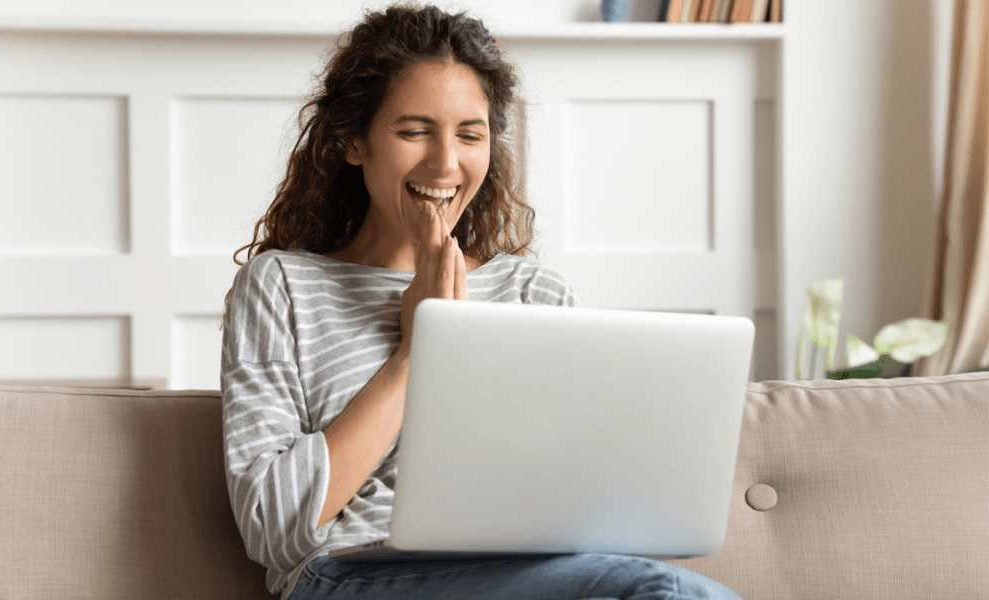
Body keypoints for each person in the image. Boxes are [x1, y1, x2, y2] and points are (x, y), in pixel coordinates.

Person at [221, 5, 743, 600]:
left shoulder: (534, 295)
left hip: (526, 571)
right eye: (414, 131)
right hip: (347, 577)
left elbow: (575, 496)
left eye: (470, 135)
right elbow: (272, 526)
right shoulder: (282, 286)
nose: (446, 163)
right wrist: (418, 353)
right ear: (353, 142)